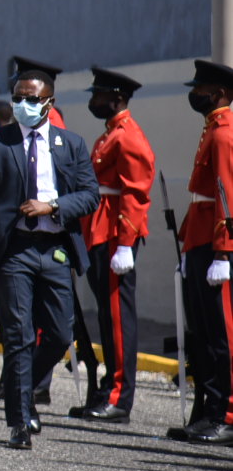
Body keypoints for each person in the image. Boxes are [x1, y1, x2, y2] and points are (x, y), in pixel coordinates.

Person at [0, 67, 98, 450]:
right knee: (18, 335)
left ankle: (25, 388)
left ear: (50, 103)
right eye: (18, 97)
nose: (23, 105)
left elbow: (90, 195)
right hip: (12, 251)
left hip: (55, 249)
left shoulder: (71, 144)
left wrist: (52, 205)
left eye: (32, 99)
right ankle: (19, 422)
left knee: (61, 334)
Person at [73, 67, 154, 423]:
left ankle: (120, 397)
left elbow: (135, 194)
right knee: (107, 317)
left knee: (119, 318)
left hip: (114, 235)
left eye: (98, 96)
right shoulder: (109, 135)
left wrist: (125, 244)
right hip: (100, 231)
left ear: (117, 98)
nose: (93, 101)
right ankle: (109, 388)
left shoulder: (128, 137)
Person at [172, 60, 233, 445]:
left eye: (203, 89)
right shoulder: (211, 128)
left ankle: (226, 415)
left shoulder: (225, 134)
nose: (196, 95)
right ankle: (208, 412)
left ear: (222, 94)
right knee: (203, 335)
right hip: (199, 241)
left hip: (215, 247)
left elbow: (227, 195)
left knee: (223, 337)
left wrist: (223, 253)